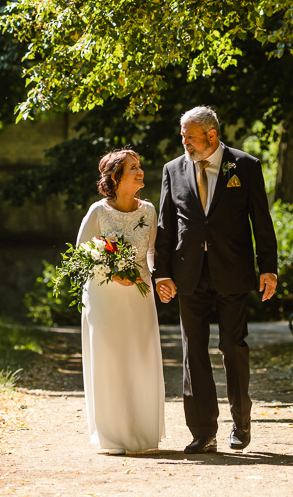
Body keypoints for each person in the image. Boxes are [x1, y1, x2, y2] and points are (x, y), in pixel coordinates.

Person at [154, 106, 278, 454]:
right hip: (188, 273)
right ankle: (203, 431)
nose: (184, 142)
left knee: (233, 348)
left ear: (212, 135)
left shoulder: (246, 166)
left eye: (189, 136)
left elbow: (261, 219)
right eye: (183, 135)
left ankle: (241, 423)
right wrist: (162, 272)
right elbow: (165, 225)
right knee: (193, 352)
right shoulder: (172, 170)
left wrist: (268, 266)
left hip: (233, 271)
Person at [77, 149, 170, 455]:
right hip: (105, 296)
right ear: (116, 178)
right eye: (133, 168)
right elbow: (82, 254)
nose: (140, 171)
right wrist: (111, 272)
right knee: (110, 360)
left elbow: (153, 250)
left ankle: (142, 433)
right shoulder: (98, 212)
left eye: (140, 166)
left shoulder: (148, 211)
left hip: (139, 294)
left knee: (140, 358)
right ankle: (113, 436)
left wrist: (158, 278)